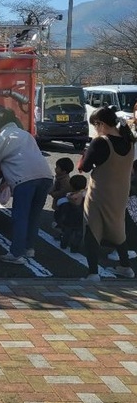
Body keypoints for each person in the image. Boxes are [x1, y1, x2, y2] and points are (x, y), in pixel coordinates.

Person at [0, 107, 53, 265]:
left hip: (25, 180)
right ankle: (29, 249)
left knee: (20, 217)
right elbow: (26, 158)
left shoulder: (5, 136)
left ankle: (16, 254)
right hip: (45, 176)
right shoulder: (25, 134)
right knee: (33, 216)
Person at [78, 106, 136, 281]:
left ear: (100, 123)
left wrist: (85, 154)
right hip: (120, 193)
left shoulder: (101, 142)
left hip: (100, 192)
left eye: (95, 125)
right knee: (118, 228)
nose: (95, 129)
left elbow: (84, 167)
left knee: (92, 228)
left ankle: (93, 273)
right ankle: (126, 267)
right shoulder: (129, 140)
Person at [55, 174, 87, 251]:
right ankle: (75, 247)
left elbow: (59, 202)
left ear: (71, 186)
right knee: (79, 234)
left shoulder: (69, 196)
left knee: (67, 233)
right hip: (81, 219)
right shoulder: (86, 195)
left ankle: (64, 245)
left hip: (69, 219)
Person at [50, 157, 74, 222]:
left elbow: (63, 191)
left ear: (64, 171)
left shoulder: (65, 181)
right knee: (57, 213)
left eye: (57, 167)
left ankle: (60, 224)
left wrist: (53, 193)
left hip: (62, 202)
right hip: (58, 200)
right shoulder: (59, 177)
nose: (55, 169)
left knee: (60, 214)